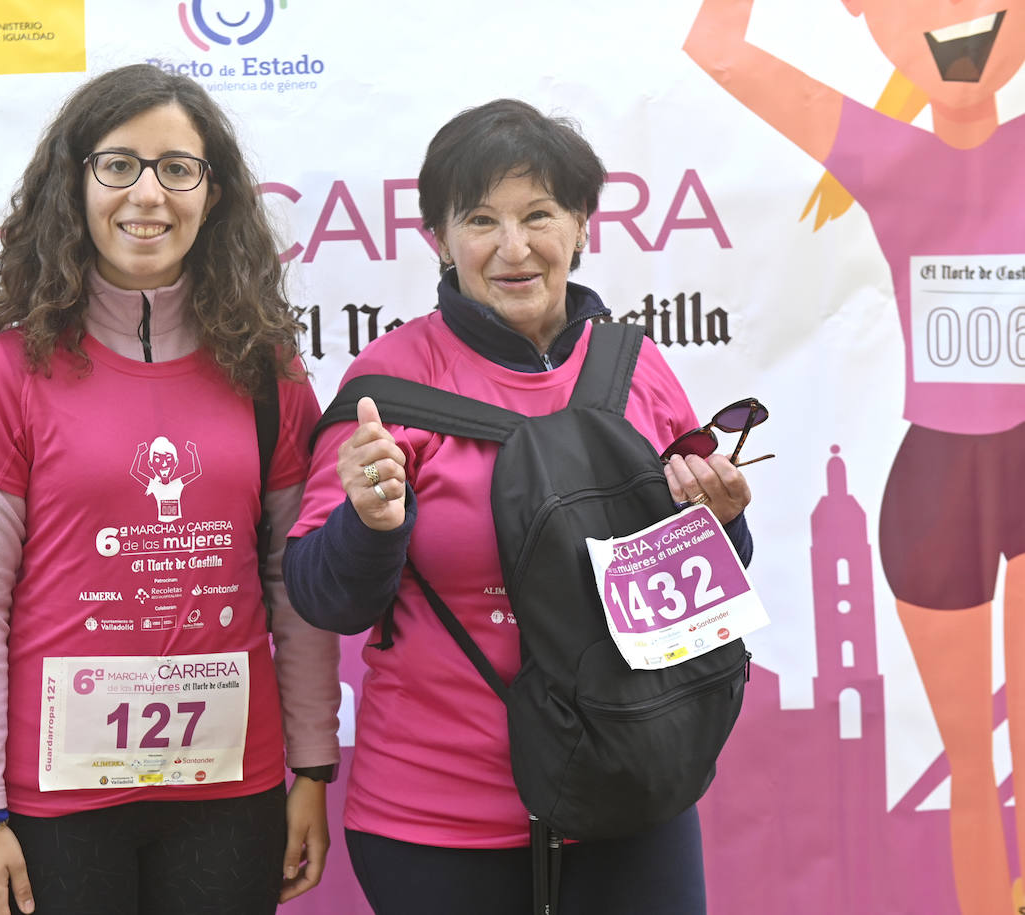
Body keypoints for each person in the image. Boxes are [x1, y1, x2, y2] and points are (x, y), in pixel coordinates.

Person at [283, 98, 756, 915]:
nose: (514, 247)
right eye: (480, 220)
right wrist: (370, 520)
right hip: (442, 817)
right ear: (438, 237)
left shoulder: (633, 367)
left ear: (580, 226)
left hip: (632, 790)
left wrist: (723, 522)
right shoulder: (391, 385)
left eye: (539, 215)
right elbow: (326, 598)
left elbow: (696, 594)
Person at [0, 63, 340, 915]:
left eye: (176, 168)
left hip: (232, 789)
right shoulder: (8, 375)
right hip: (59, 801)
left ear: (213, 191)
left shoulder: (266, 370)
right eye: (119, 165)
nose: (147, 194)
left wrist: (311, 765)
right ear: (73, 185)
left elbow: (292, 588)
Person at [685, 3, 1025, 913]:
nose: (956, 18)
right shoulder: (885, 152)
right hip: (934, 486)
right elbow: (713, 48)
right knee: (968, 766)